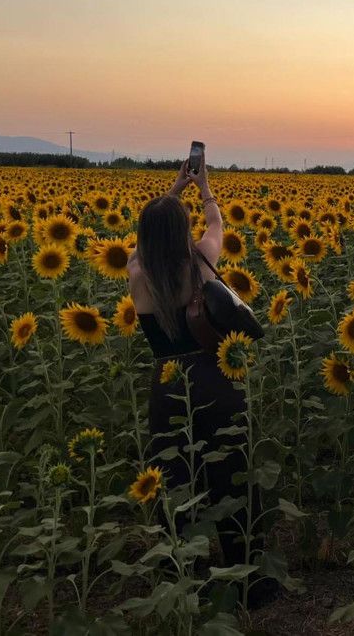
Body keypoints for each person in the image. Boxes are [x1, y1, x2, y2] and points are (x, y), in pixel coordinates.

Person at [127, 157, 251, 571]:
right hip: (215, 376)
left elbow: (150, 238)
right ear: (183, 231)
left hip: (167, 384)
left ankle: (186, 575)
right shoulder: (199, 261)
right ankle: (245, 573)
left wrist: (172, 192)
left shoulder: (137, 272)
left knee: (175, 480)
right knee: (230, 474)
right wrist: (203, 188)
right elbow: (217, 226)